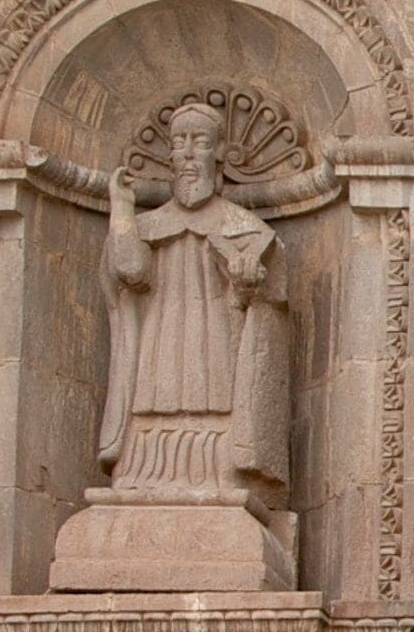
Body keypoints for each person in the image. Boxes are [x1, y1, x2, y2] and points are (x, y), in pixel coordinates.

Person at [96, 96, 291, 506]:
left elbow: (267, 300)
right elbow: (130, 271)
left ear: (219, 153)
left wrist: (249, 284)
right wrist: (122, 211)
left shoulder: (244, 228)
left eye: (199, 141)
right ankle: (144, 477)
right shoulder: (149, 225)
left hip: (217, 348)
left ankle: (221, 479)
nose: (187, 153)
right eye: (179, 141)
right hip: (158, 346)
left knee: (216, 415)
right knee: (151, 411)